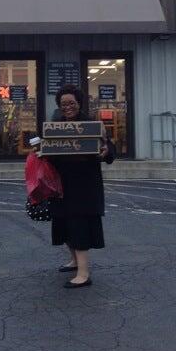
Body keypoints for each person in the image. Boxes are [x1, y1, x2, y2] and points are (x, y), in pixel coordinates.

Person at [48, 84, 115, 288]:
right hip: (61, 184)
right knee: (64, 224)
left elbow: (109, 148)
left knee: (79, 226)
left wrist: (106, 151)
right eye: (63, 104)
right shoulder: (55, 125)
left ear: (79, 103)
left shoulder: (92, 124)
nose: (67, 107)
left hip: (84, 185)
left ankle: (83, 274)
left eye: (71, 103)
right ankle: (74, 261)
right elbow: (47, 148)